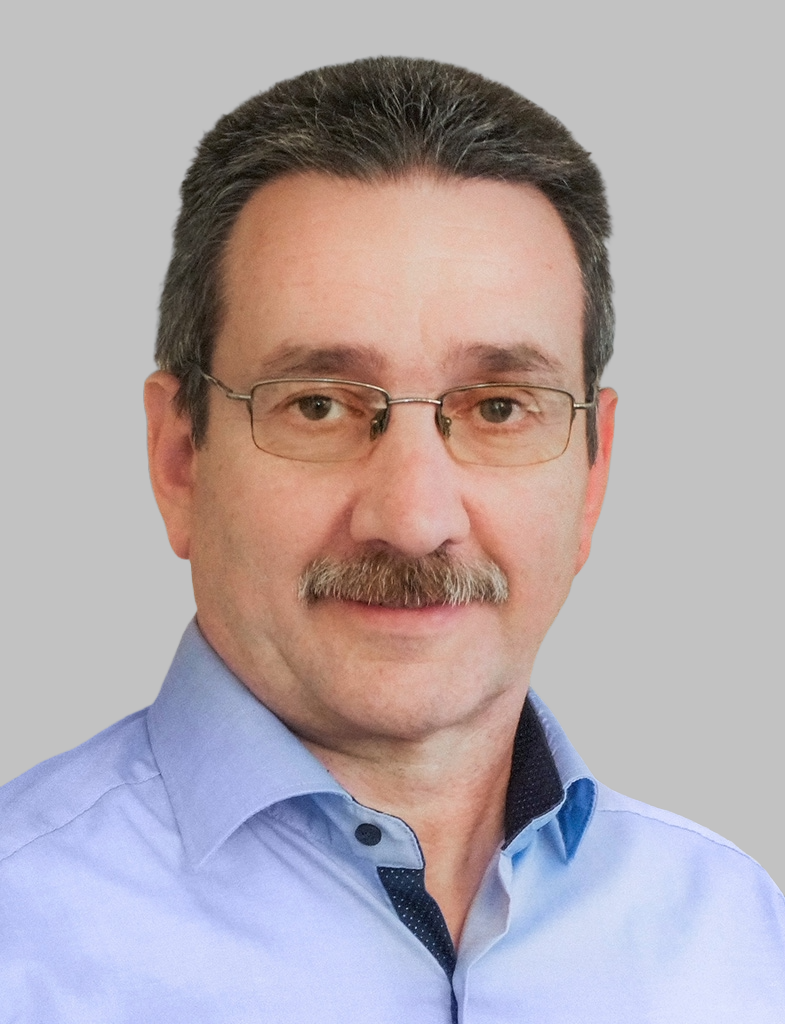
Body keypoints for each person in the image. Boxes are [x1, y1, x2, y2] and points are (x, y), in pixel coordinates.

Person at [1, 56, 782, 1023]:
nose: (413, 521)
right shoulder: (20, 935)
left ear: (593, 472)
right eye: (318, 405)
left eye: (499, 407)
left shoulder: (738, 939)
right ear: (179, 461)